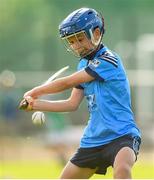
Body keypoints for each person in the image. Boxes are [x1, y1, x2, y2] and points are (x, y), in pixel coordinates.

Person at [20, 7, 141, 179]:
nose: (76, 46)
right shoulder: (83, 65)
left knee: (122, 170)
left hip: (122, 135)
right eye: (71, 41)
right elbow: (71, 104)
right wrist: (35, 104)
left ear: (96, 33)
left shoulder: (108, 60)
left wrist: (35, 91)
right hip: (93, 140)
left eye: (80, 39)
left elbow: (67, 82)